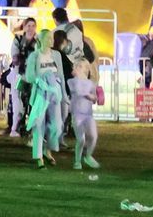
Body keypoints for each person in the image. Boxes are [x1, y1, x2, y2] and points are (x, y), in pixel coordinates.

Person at [23, 30, 67, 169]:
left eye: (52, 38)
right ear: (41, 40)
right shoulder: (34, 56)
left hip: (55, 92)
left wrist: (64, 94)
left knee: (56, 125)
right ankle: (39, 157)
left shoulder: (56, 55)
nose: (51, 41)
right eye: (48, 38)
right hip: (41, 93)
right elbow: (29, 76)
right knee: (38, 124)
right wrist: (40, 81)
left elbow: (61, 75)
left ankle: (48, 149)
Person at [67, 59, 100, 170]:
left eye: (81, 66)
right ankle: (77, 161)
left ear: (86, 69)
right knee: (81, 139)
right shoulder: (71, 81)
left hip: (88, 114)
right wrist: (89, 95)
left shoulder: (91, 83)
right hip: (77, 114)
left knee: (93, 136)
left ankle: (88, 156)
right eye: (77, 66)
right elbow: (77, 91)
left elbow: (95, 98)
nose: (78, 68)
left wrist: (93, 97)